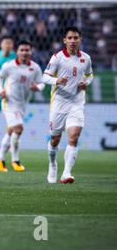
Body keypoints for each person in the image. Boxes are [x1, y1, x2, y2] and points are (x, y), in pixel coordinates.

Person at [42, 27, 93, 184]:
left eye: (75, 38)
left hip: (77, 103)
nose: (72, 41)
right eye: (69, 38)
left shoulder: (86, 58)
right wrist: (57, 80)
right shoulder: (57, 58)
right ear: (64, 40)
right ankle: (52, 164)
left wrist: (86, 82)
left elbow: (90, 75)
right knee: (55, 140)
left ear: (80, 39)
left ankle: (66, 173)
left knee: (74, 136)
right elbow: (45, 77)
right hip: (59, 104)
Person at [0, 40, 45, 172]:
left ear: (31, 52)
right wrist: (0, 91)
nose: (24, 52)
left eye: (27, 50)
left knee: (11, 131)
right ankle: (15, 160)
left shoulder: (35, 67)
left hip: (22, 104)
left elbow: (42, 82)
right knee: (19, 129)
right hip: (9, 102)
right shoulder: (9, 66)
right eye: (22, 50)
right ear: (17, 52)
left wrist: (37, 88)